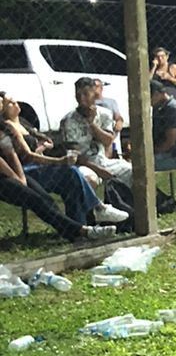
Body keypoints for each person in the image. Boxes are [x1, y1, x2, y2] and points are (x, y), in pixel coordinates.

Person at [0, 93, 127, 228]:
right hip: (28, 169)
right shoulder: (9, 126)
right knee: (70, 173)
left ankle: (80, 225)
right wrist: (59, 160)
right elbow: (28, 155)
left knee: (71, 178)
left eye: (14, 100)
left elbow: (44, 141)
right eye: (10, 103)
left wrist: (45, 145)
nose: (15, 103)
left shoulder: (23, 123)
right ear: (3, 110)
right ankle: (96, 209)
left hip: (39, 165)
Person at [0, 138, 104, 243]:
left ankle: (81, 226)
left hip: (21, 171)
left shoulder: (12, 131)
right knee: (35, 199)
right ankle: (82, 228)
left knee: (67, 177)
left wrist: (20, 177)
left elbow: (11, 153)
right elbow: (23, 156)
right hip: (11, 174)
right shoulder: (9, 130)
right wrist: (17, 178)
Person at [60, 78, 134, 199]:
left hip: (102, 160)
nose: (81, 99)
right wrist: (98, 170)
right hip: (83, 164)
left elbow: (108, 141)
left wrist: (92, 123)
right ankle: (94, 208)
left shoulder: (105, 114)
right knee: (89, 178)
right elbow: (75, 155)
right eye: (78, 95)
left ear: (94, 94)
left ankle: (130, 205)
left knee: (132, 170)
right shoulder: (68, 120)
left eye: (85, 94)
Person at [150, 78, 176, 168]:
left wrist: (150, 152)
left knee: (141, 166)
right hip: (168, 154)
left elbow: (169, 143)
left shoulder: (172, 109)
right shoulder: (163, 107)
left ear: (157, 94)